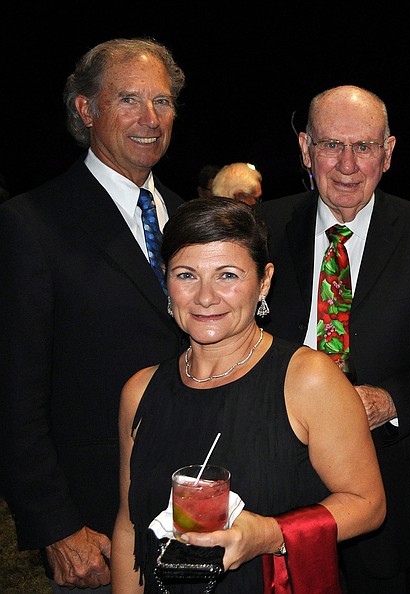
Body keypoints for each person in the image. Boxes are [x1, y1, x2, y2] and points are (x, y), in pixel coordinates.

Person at [110, 198, 385, 593]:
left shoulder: (307, 379)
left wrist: (270, 534)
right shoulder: (140, 391)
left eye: (227, 276)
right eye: (186, 275)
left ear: (265, 281)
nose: (205, 297)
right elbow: (129, 526)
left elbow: (368, 504)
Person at [0, 37, 188, 592]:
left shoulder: (191, 217)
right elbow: (14, 392)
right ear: (86, 109)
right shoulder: (30, 225)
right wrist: (56, 526)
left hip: (203, 509)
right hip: (97, 526)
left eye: (163, 102)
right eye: (129, 99)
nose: (150, 119)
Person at [257, 84, 410, 594]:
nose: (347, 164)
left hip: (390, 480)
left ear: (387, 154)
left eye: (364, 147)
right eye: (331, 145)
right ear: (305, 148)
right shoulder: (261, 227)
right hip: (275, 475)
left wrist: (387, 400)